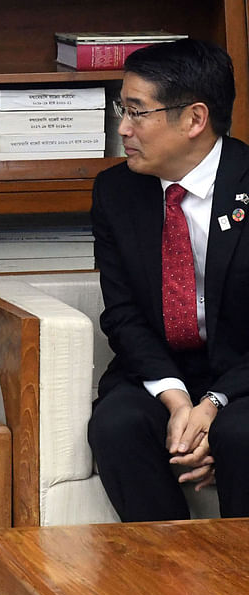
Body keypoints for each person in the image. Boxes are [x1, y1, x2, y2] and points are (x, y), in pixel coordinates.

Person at [88, 38, 249, 522]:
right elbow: (122, 313)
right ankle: (168, 574)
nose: (123, 128)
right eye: (123, 108)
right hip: (162, 369)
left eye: (138, 112)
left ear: (194, 119)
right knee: (117, 425)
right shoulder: (117, 192)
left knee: (239, 435)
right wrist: (179, 401)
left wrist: (213, 406)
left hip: (242, 373)